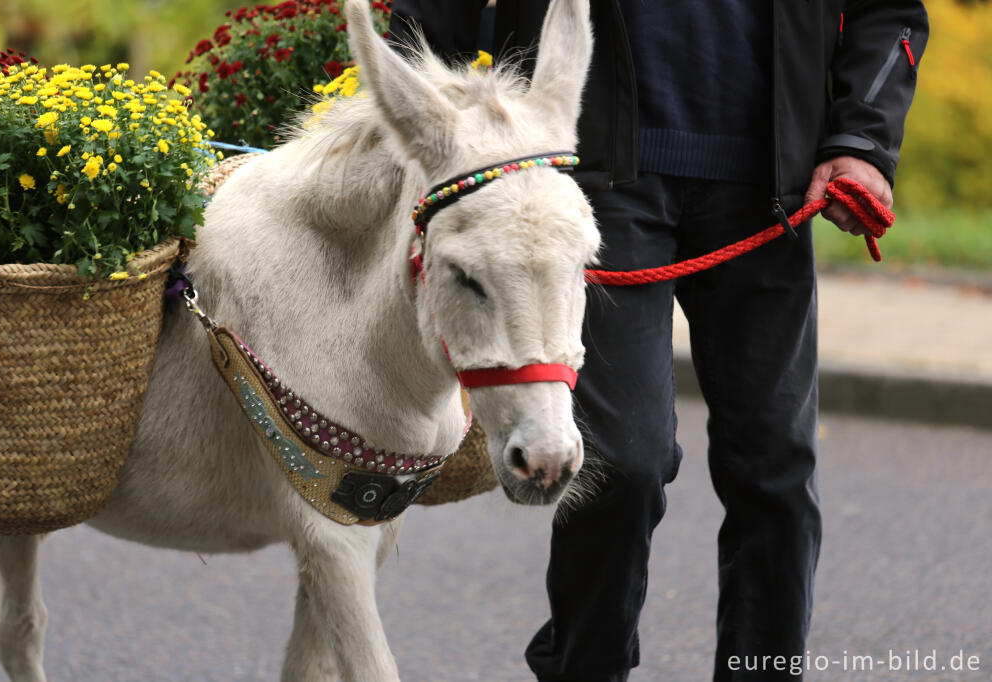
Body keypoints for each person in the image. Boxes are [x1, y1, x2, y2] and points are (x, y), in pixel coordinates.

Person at [389, 1, 928, 680]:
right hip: (593, 178)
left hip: (770, 189)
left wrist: (862, 143)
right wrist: (430, 130)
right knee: (621, 468)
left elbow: (888, 10)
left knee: (775, 475)